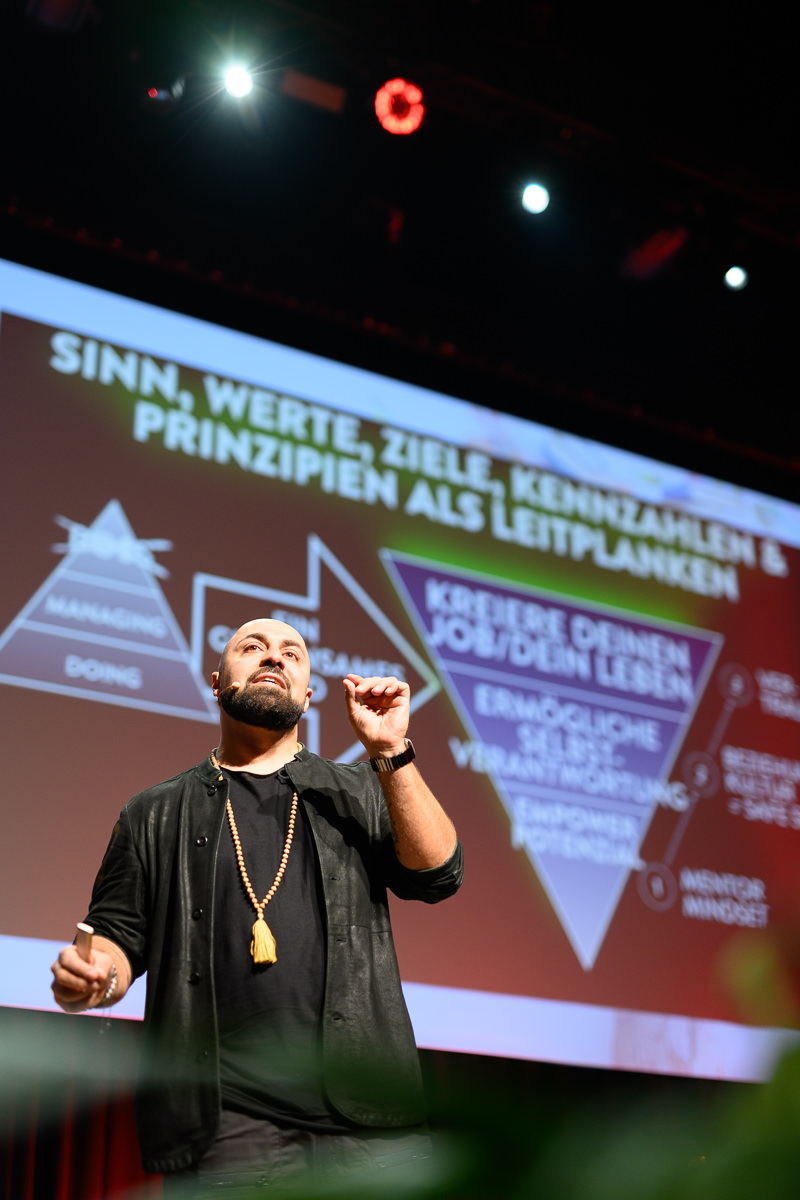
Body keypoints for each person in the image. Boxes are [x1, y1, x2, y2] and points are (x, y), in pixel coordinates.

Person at [50, 617, 463, 1195]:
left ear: (308, 694)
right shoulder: (154, 812)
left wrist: (391, 751)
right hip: (229, 1128)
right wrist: (96, 976)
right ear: (217, 682)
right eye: (253, 647)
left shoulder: (360, 789)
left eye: (292, 653)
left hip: (372, 1127)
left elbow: (439, 874)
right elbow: (117, 937)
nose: (274, 657)